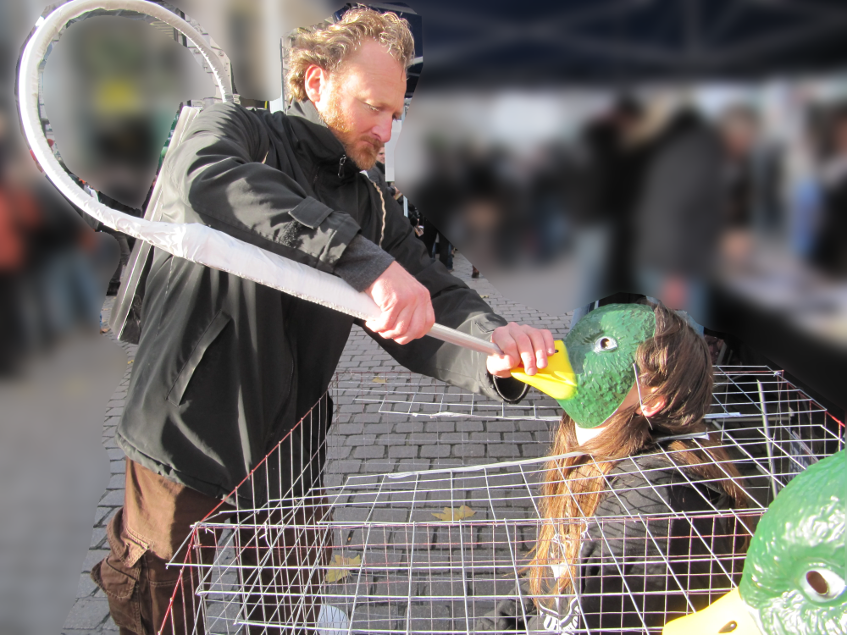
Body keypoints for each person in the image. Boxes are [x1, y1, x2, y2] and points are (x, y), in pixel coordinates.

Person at [92, 8, 554, 635]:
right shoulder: (235, 128)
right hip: (185, 426)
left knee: (291, 590)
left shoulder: (372, 201)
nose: (386, 130)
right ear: (316, 81)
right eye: (373, 106)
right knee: (156, 594)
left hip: (291, 445)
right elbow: (208, 177)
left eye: (396, 113)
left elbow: (436, 293)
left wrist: (495, 344)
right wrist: (360, 260)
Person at [475, 304, 749, 634]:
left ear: (653, 399)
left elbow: (585, 616)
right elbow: (547, 579)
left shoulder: (650, 503)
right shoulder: (591, 453)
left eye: (604, 345)